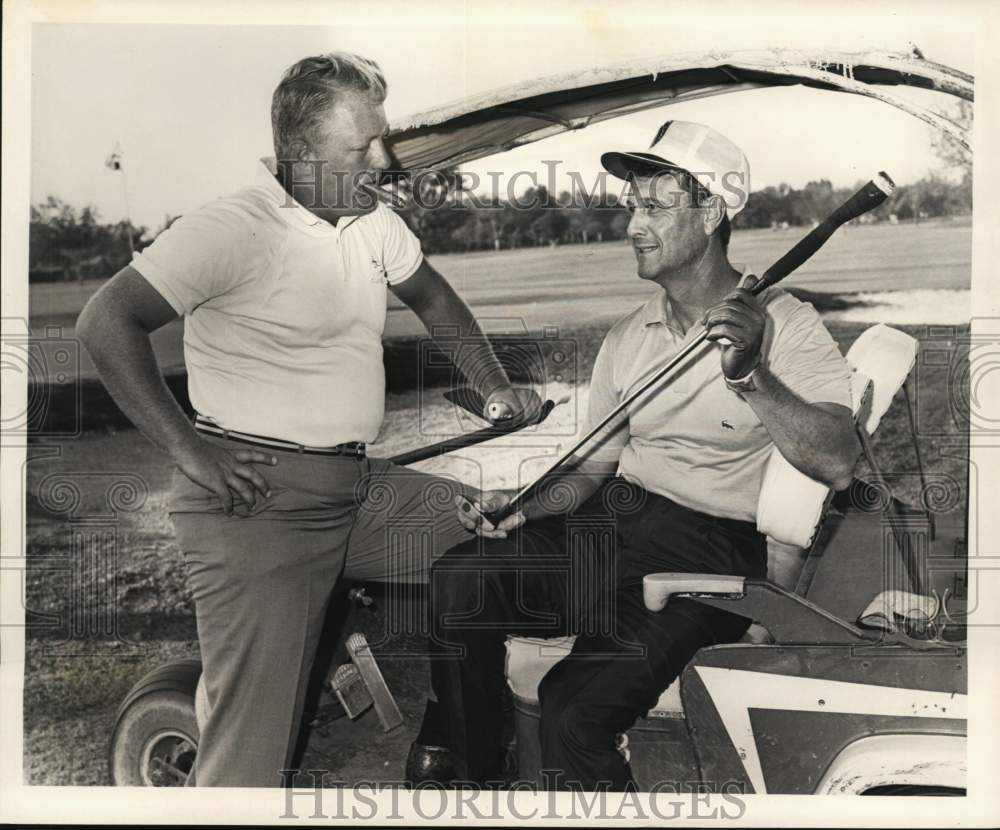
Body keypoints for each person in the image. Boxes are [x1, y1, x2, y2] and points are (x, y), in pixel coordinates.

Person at [77, 52, 539, 787]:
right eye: (364, 147)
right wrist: (192, 452)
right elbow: (106, 322)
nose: (384, 160)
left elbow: (437, 299)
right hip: (258, 506)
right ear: (301, 151)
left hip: (356, 492)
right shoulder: (233, 227)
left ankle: (455, 742)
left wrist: (492, 386)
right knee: (249, 760)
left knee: (495, 535)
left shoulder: (372, 222)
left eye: (381, 140)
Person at [407, 121, 862, 790]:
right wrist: (523, 508)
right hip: (618, 523)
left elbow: (840, 461)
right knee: (460, 581)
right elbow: (592, 466)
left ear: (711, 211)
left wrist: (751, 374)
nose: (633, 225)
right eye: (632, 205)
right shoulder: (630, 336)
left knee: (572, 713)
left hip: (711, 555)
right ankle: (480, 775)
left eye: (654, 205)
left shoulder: (787, 326)